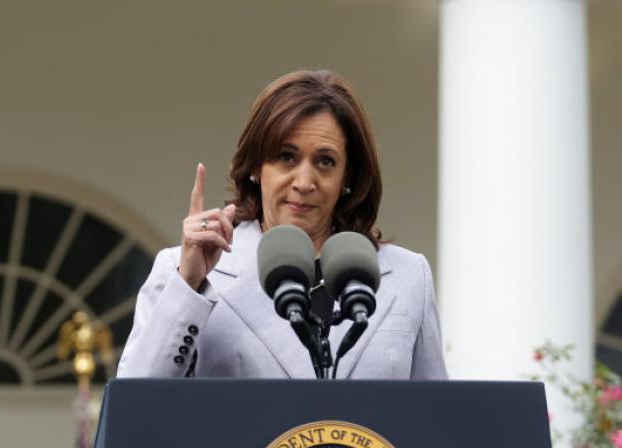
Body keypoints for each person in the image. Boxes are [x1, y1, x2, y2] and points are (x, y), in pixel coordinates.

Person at [117, 70, 446, 380]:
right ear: (256, 167)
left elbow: (435, 419)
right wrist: (189, 284)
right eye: (287, 157)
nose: (304, 181)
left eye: (325, 161)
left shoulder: (409, 276)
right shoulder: (185, 270)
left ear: (347, 176)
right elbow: (133, 410)